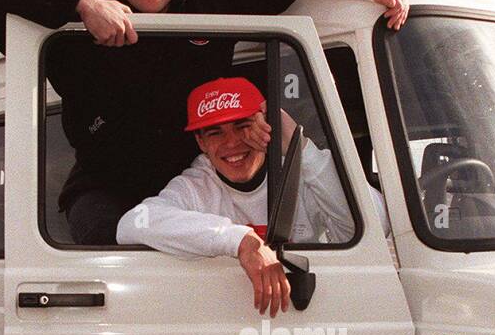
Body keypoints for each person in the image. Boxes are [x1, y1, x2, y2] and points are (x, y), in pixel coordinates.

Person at [0, 0, 408, 244]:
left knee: (230, 253)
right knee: (119, 250)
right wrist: (80, 4)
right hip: (110, 181)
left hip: (199, 169)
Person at [117, 77, 379, 316]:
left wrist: (300, 147)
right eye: (215, 132)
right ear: (201, 143)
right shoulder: (196, 184)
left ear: (266, 128)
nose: (232, 144)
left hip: (306, 320)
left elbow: (377, 226)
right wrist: (240, 240)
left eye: (243, 126)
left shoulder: (303, 172)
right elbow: (131, 224)